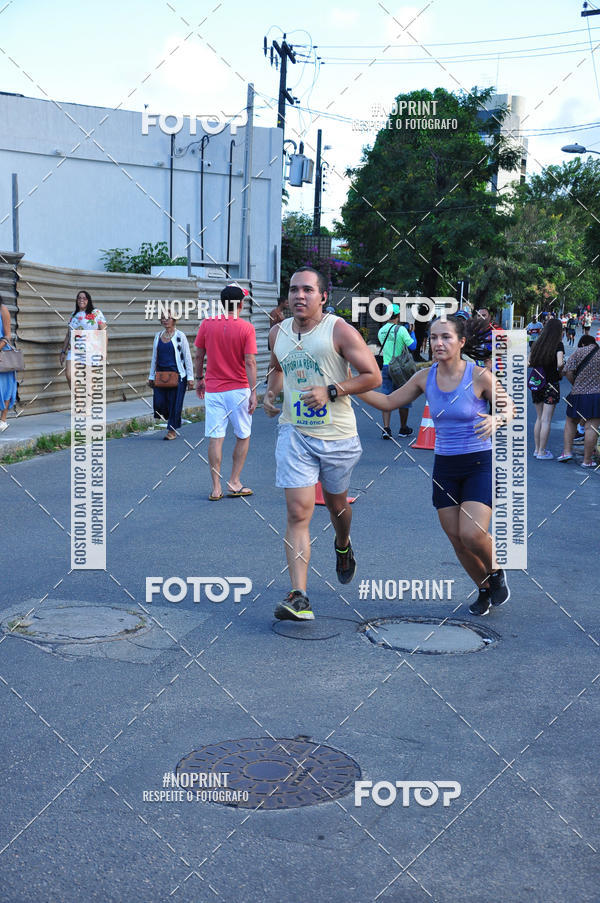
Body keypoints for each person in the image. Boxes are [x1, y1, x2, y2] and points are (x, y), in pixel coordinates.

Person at [359, 315, 513, 617]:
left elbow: (510, 407)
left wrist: (497, 418)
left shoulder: (479, 376)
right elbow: (389, 402)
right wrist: (348, 388)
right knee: (456, 539)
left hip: (479, 462)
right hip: (445, 467)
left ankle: (496, 571)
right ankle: (483, 588)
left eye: (446, 337)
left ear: (461, 342)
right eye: (433, 337)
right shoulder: (424, 377)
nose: (438, 343)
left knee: (471, 533)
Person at [263, 266, 381, 621]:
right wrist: (270, 394)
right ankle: (299, 596)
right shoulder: (277, 333)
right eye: (294, 289)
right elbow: (277, 368)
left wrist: (331, 390)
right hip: (294, 433)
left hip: (337, 437)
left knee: (336, 506)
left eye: (308, 290)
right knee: (299, 511)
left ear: (323, 296)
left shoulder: (339, 331)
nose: (299, 296)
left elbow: (372, 375)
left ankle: (342, 544)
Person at [195, 284, 257, 500]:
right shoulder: (246, 328)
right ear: (240, 304)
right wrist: (254, 391)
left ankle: (216, 488)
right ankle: (234, 481)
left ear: (222, 303)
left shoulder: (207, 324)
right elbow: (250, 361)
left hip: (213, 389)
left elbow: (198, 356)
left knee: (215, 438)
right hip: (239, 389)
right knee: (243, 435)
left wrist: (198, 379)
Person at [148, 309, 194, 440]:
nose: (164, 320)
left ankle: (172, 430)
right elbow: (154, 358)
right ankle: (171, 421)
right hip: (161, 376)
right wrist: (151, 376)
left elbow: (187, 357)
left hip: (178, 376)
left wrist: (190, 378)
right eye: (162, 317)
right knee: (160, 403)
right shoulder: (158, 336)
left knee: (175, 403)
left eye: (168, 317)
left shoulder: (180, 336)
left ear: (174, 320)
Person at [558, 335, 600, 467]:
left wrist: (576, 384)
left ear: (582, 344)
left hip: (577, 394)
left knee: (571, 422)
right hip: (597, 396)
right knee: (591, 427)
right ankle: (587, 461)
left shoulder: (579, 352)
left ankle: (567, 452)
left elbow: (567, 372)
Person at [377, 304, 416, 438]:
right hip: (400, 368)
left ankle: (386, 428)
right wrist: (412, 332)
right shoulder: (401, 330)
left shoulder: (381, 331)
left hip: (386, 366)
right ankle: (403, 428)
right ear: (398, 316)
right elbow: (413, 346)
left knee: (387, 397)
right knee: (404, 397)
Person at [528, 318, 564, 460]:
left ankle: (537, 450)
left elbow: (528, 362)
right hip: (551, 384)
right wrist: (560, 369)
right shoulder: (558, 345)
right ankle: (542, 452)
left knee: (539, 418)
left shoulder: (537, 344)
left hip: (537, 383)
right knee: (546, 419)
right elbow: (560, 363)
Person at [59, 290, 107, 388]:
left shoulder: (96, 313)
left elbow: (104, 333)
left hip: (91, 350)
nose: (81, 300)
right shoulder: (73, 315)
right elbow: (68, 335)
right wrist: (63, 352)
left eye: (84, 298)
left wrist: (103, 352)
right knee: (69, 375)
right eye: (79, 298)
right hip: (74, 350)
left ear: (88, 300)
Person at [0, 296, 17, 432]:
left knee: (5, 388)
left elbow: (8, 335)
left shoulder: (3, 309)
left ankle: (3, 420)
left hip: (3, 354)